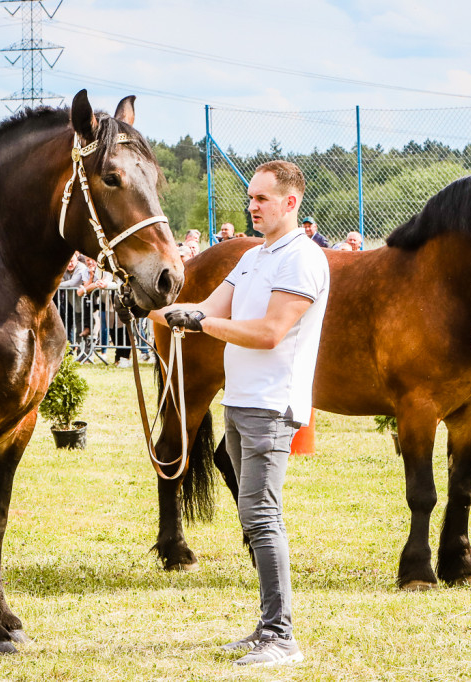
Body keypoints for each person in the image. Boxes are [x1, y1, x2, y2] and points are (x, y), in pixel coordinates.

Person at [153, 160, 328, 667]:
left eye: (262, 199)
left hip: (273, 404)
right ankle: (266, 628)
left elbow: (270, 331)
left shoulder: (300, 259)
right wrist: (147, 306)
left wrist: (202, 324)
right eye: (250, 198)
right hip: (242, 400)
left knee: (262, 516)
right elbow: (207, 304)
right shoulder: (254, 256)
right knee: (257, 516)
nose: (252, 206)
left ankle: (282, 635)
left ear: (290, 203)